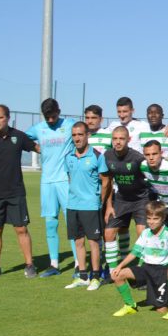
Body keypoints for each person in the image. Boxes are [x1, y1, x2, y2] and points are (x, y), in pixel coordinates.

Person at [0, 104, 39, 280]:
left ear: (7, 118)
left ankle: (29, 264)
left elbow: (37, 148)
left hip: (15, 192)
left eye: (0, 117)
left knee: (21, 229)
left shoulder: (18, 136)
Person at [25, 98, 77, 277]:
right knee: (50, 224)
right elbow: (21, 138)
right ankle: (54, 264)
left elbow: (86, 133)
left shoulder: (70, 125)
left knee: (72, 223)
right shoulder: (38, 128)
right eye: (47, 118)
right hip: (47, 182)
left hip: (65, 181)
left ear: (59, 111)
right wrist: (34, 146)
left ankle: (79, 264)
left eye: (53, 117)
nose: (51, 121)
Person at [110, 200, 168, 317]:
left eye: (155, 219)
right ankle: (130, 305)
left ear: (163, 218)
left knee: (161, 310)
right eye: (149, 218)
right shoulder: (145, 233)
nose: (151, 222)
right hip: (145, 268)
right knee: (117, 275)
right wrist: (119, 266)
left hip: (160, 272)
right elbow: (134, 253)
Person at [63, 121, 108, 291]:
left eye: (80, 134)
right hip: (72, 205)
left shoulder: (97, 156)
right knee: (78, 241)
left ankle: (95, 276)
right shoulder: (68, 157)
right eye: (74, 135)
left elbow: (105, 182)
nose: (77, 138)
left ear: (87, 135)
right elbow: (70, 178)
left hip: (90, 206)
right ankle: (82, 276)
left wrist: (100, 201)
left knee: (94, 243)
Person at [102, 126, 149, 277]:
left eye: (121, 138)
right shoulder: (107, 156)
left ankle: (141, 270)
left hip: (141, 199)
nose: (117, 142)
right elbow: (108, 181)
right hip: (121, 199)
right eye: (115, 138)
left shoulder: (137, 158)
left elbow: (151, 176)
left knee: (142, 233)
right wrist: (109, 205)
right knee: (109, 233)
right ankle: (113, 271)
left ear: (128, 140)